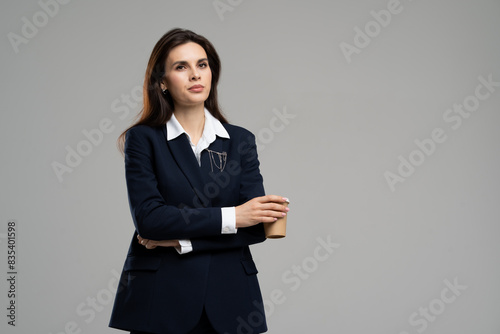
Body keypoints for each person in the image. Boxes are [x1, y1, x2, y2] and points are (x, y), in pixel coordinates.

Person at [108, 28, 289, 334]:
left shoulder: (240, 140)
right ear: (162, 82)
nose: (195, 75)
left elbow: (257, 226)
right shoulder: (143, 139)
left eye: (202, 65)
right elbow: (150, 220)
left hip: (232, 301)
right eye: (182, 67)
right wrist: (234, 216)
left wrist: (182, 240)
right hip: (161, 299)